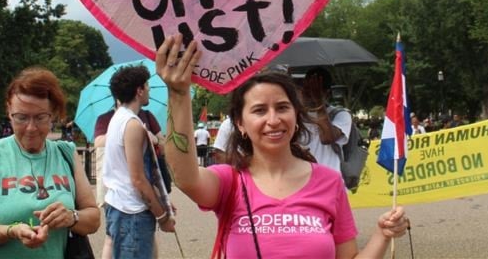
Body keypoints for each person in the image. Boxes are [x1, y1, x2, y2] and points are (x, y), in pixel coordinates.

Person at [159, 34, 408, 258]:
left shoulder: (330, 182)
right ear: (240, 124)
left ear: (296, 116)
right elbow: (184, 176)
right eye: (259, 110)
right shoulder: (230, 181)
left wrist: (382, 234)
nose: (273, 120)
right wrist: (179, 95)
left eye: (282, 107)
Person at [0, 67, 100, 258]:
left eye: (40, 117)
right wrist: (10, 231)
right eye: (21, 117)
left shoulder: (66, 153)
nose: (31, 128)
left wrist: (72, 217)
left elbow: (93, 219)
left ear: (52, 113)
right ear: (9, 110)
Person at [103, 65, 175, 259]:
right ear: (139, 90)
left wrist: (161, 201)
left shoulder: (118, 118)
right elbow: (138, 179)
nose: (149, 89)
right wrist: (162, 216)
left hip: (119, 207)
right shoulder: (132, 124)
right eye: (148, 85)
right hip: (132, 212)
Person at [300, 67, 352, 176]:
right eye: (307, 89)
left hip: (330, 181)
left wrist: (319, 103)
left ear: (327, 93)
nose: (309, 94)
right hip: (301, 180)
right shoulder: (294, 114)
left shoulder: (340, 114)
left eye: (315, 90)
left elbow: (327, 138)